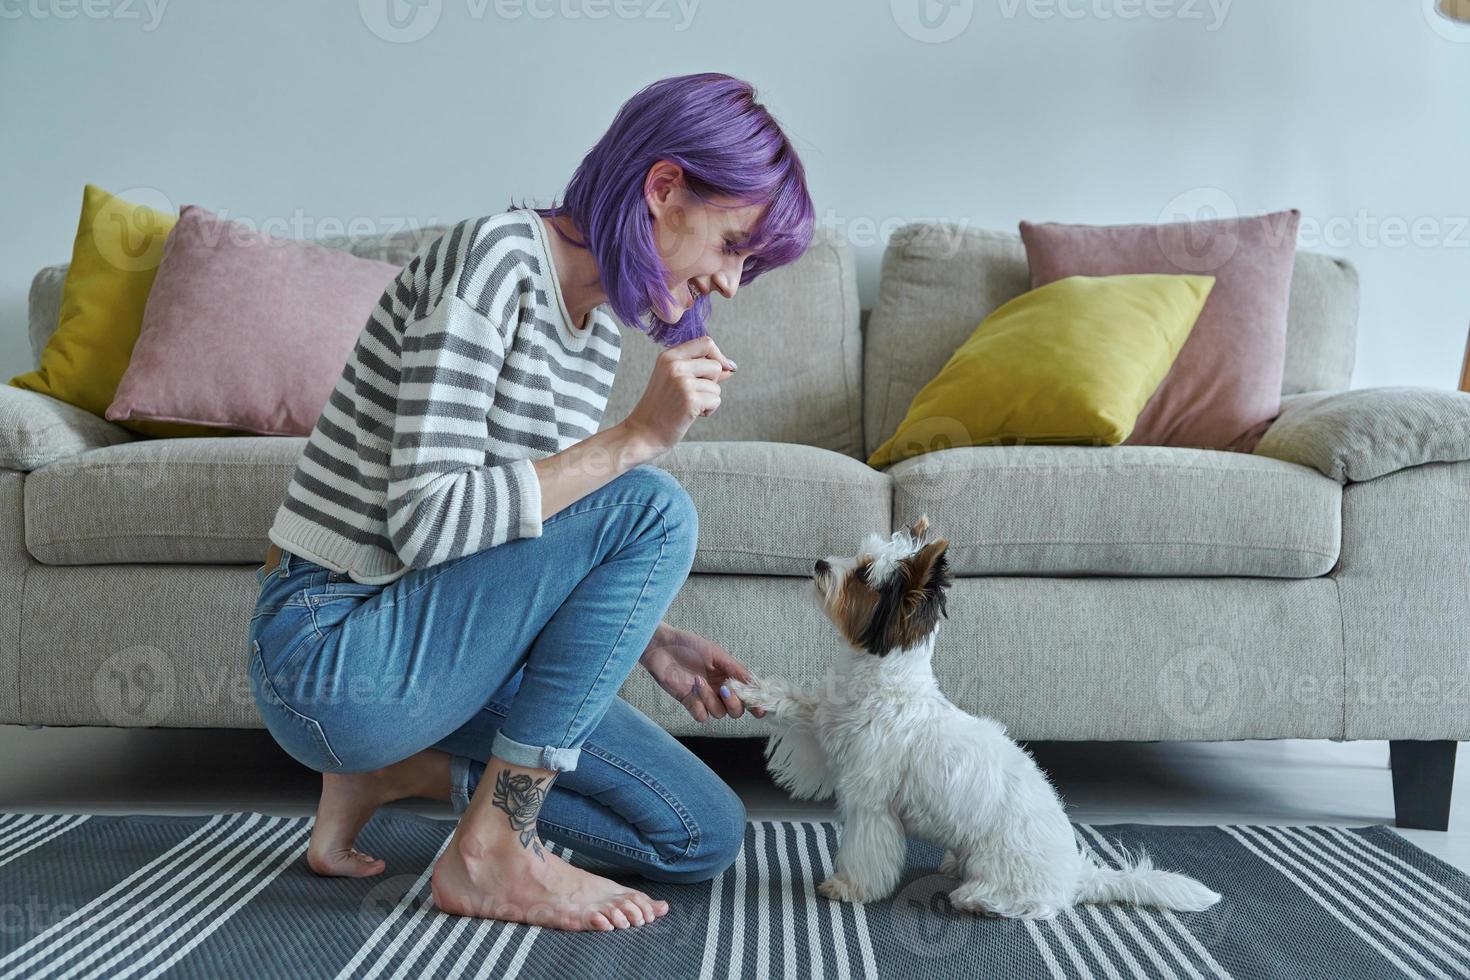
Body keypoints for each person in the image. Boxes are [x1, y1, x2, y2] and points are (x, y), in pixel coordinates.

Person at [247, 71, 815, 933]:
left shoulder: (591, 336)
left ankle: (397, 774)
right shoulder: (499, 260)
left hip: (431, 659)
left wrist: (648, 639)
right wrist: (635, 441)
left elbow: (514, 537)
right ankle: (491, 853)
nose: (732, 284)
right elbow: (430, 520)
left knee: (701, 833)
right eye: (734, 245)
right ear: (664, 190)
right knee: (653, 506)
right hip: (331, 652)